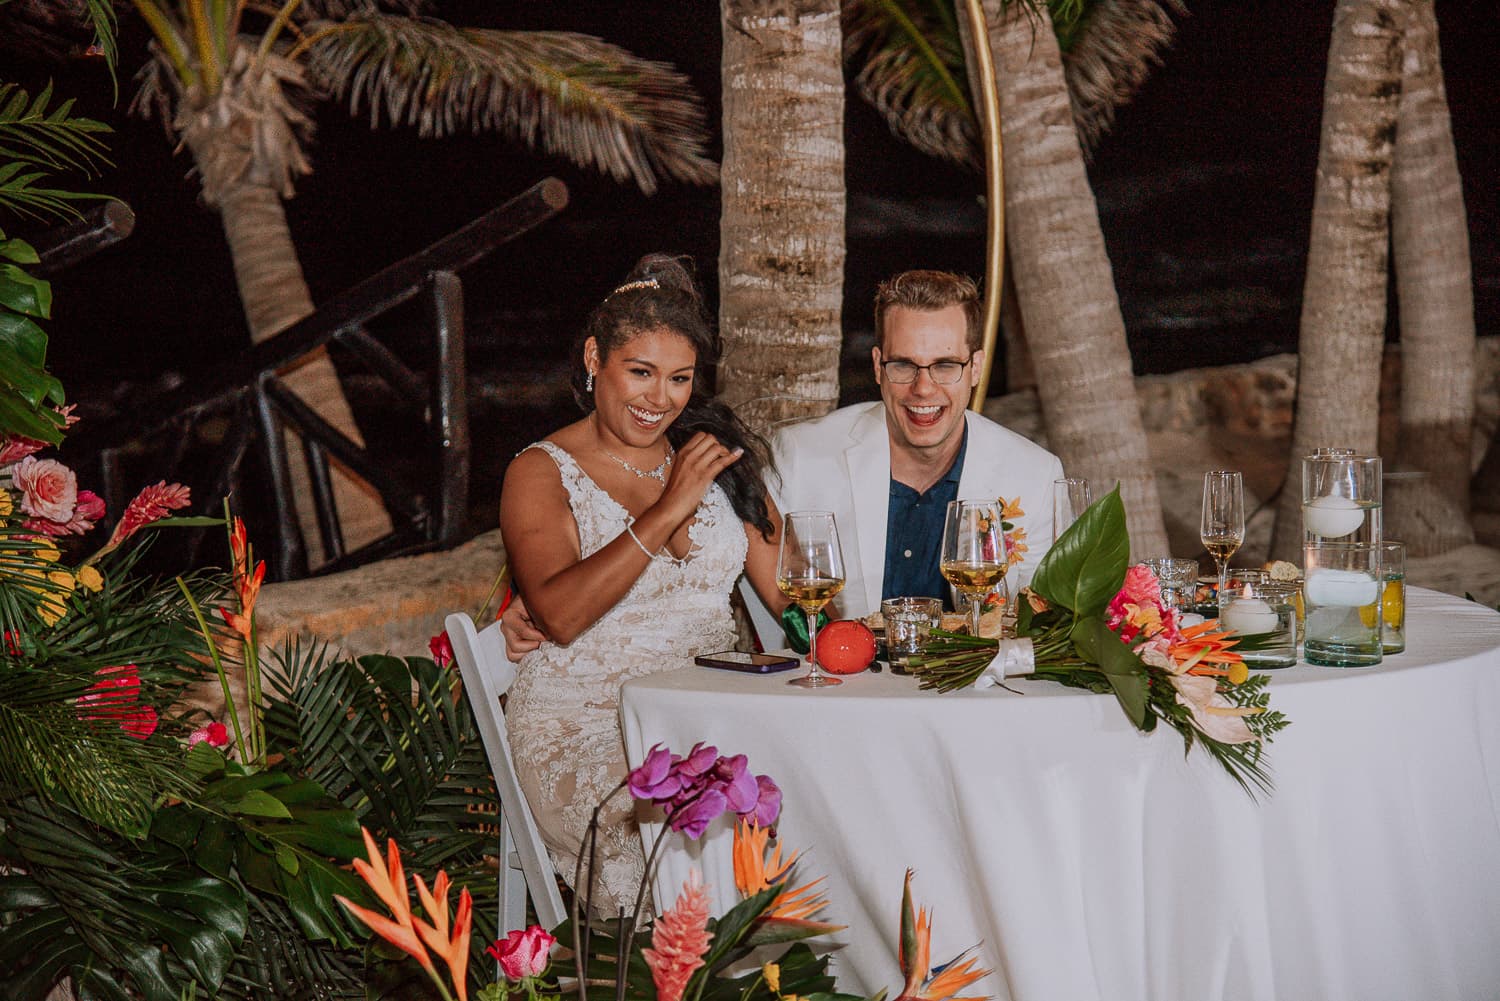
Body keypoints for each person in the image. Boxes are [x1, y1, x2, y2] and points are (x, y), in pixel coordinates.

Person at [497, 253, 786, 911]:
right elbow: (560, 614)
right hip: (582, 727)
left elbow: (797, 595)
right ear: (596, 358)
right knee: (684, 835)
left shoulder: (713, 457)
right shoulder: (540, 472)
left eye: (679, 379)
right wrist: (667, 510)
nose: (660, 399)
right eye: (641, 373)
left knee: (818, 795)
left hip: (704, 719)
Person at [764, 269, 1064, 622]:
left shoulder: (1035, 476)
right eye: (904, 365)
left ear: (977, 368)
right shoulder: (802, 457)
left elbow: (1048, 621)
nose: (923, 388)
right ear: (878, 367)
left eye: (945, 365)